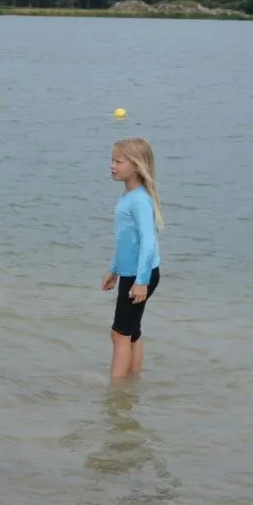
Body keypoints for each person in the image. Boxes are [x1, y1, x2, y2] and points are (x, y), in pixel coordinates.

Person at [102, 137, 163, 379]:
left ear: (136, 166)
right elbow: (126, 241)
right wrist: (114, 269)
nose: (112, 166)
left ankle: (116, 390)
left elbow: (148, 243)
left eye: (118, 162)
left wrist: (141, 281)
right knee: (132, 332)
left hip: (139, 275)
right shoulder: (128, 197)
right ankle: (132, 382)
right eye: (112, 160)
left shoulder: (139, 200)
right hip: (131, 272)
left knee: (120, 334)